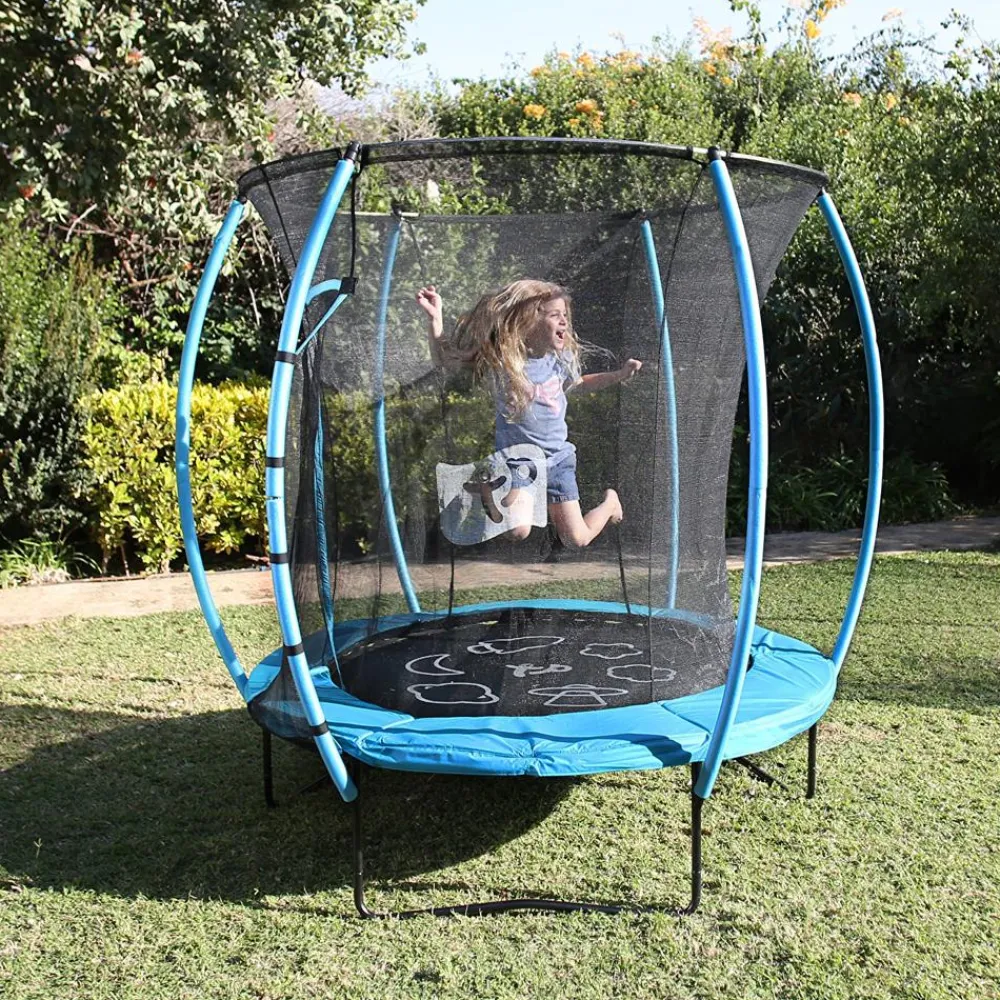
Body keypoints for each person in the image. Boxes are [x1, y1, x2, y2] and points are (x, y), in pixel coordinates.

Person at [416, 279, 642, 548]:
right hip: (518, 461)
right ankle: (490, 490)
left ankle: (610, 503)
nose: (564, 322)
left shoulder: (561, 360)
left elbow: (579, 384)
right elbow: (447, 360)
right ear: (529, 321)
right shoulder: (504, 361)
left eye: (565, 315)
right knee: (518, 531)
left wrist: (619, 375)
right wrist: (435, 320)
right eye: (555, 315)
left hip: (558, 459)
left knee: (576, 539)